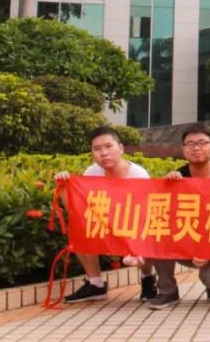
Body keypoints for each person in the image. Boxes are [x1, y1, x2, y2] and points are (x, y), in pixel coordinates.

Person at [57, 126, 162, 304]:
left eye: (108, 146)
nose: (103, 153)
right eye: (97, 149)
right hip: (106, 227)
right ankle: (95, 284)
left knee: (145, 238)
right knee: (80, 229)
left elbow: (145, 217)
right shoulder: (91, 173)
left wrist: (132, 244)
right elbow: (79, 214)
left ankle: (148, 277)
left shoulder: (138, 175)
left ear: (120, 148)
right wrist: (63, 188)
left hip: (133, 226)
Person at [146, 125, 210, 309]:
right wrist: (166, 186)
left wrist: (209, 250)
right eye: (190, 144)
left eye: (202, 143)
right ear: (183, 149)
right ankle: (167, 290)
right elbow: (163, 215)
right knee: (158, 230)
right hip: (185, 242)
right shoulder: (177, 177)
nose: (196, 148)